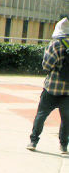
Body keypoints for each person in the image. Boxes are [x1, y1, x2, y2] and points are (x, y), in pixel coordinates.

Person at [27, 16, 69, 154]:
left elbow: (46, 65)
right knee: (66, 119)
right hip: (68, 91)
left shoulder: (55, 44)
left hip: (51, 88)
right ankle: (63, 146)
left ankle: (33, 141)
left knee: (41, 115)